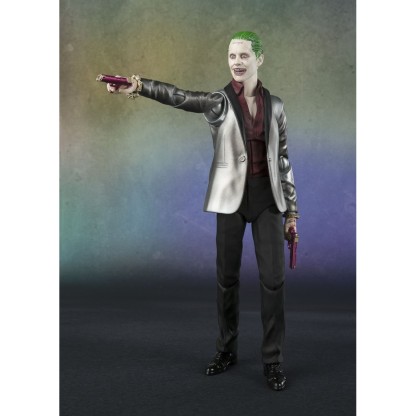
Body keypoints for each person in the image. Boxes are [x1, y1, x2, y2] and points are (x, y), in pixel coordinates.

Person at [105, 31, 299, 391]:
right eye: (231, 56)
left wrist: (292, 213)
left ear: (259, 59)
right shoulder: (218, 102)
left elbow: (284, 159)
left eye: (244, 55)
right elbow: (178, 96)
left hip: (268, 200)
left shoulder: (276, 106)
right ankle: (226, 350)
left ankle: (273, 360)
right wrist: (138, 85)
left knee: (274, 282)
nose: (237, 62)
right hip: (229, 199)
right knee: (227, 279)